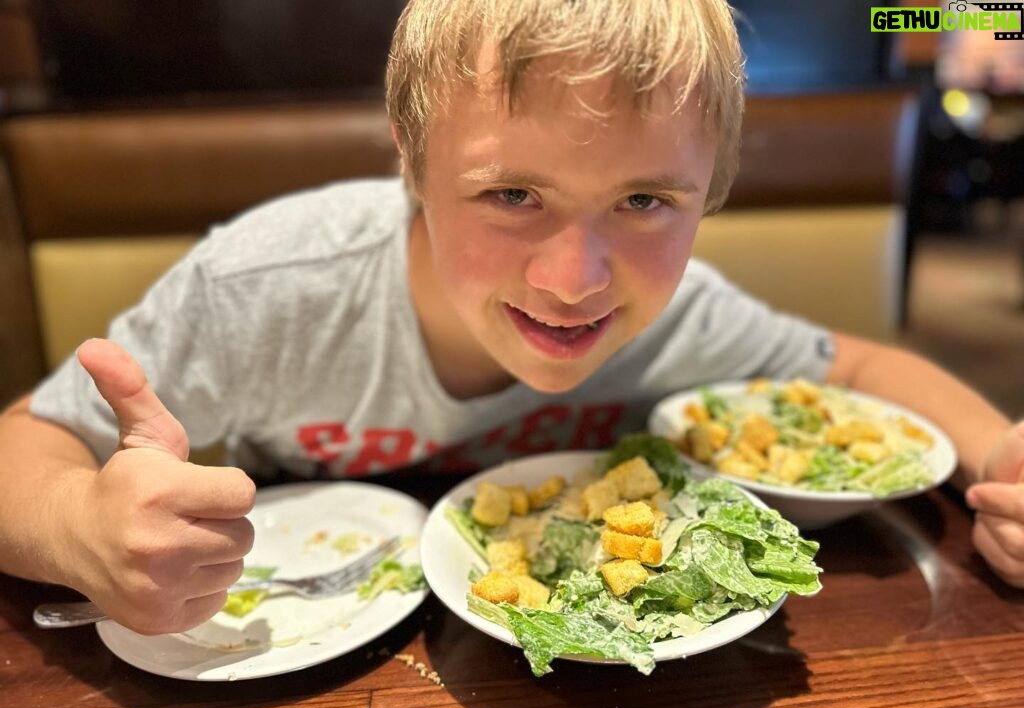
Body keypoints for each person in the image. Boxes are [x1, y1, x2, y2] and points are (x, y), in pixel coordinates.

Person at [0, 0, 1020, 636]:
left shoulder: (681, 314)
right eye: (510, 195)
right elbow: (25, 444)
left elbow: (857, 369)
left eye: (643, 201)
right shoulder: (271, 287)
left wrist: (1000, 457)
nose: (575, 281)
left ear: (712, 189)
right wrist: (78, 526)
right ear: (409, 157)